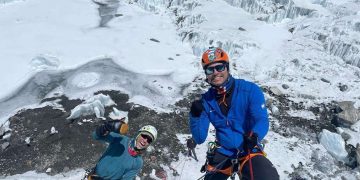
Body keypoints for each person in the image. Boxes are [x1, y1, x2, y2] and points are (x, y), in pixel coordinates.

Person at [189, 47, 279, 180]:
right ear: (206, 74)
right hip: (223, 152)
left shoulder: (250, 90)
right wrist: (195, 115)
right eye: (210, 69)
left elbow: (261, 119)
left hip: (248, 149)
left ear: (227, 67)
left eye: (219, 67)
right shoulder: (206, 101)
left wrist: (255, 135)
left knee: (267, 177)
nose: (215, 72)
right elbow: (200, 137)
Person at [88, 119, 158, 180]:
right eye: (144, 136)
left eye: (149, 140)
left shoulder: (138, 162)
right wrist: (106, 127)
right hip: (92, 175)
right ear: (138, 134)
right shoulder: (121, 139)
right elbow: (96, 136)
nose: (145, 140)